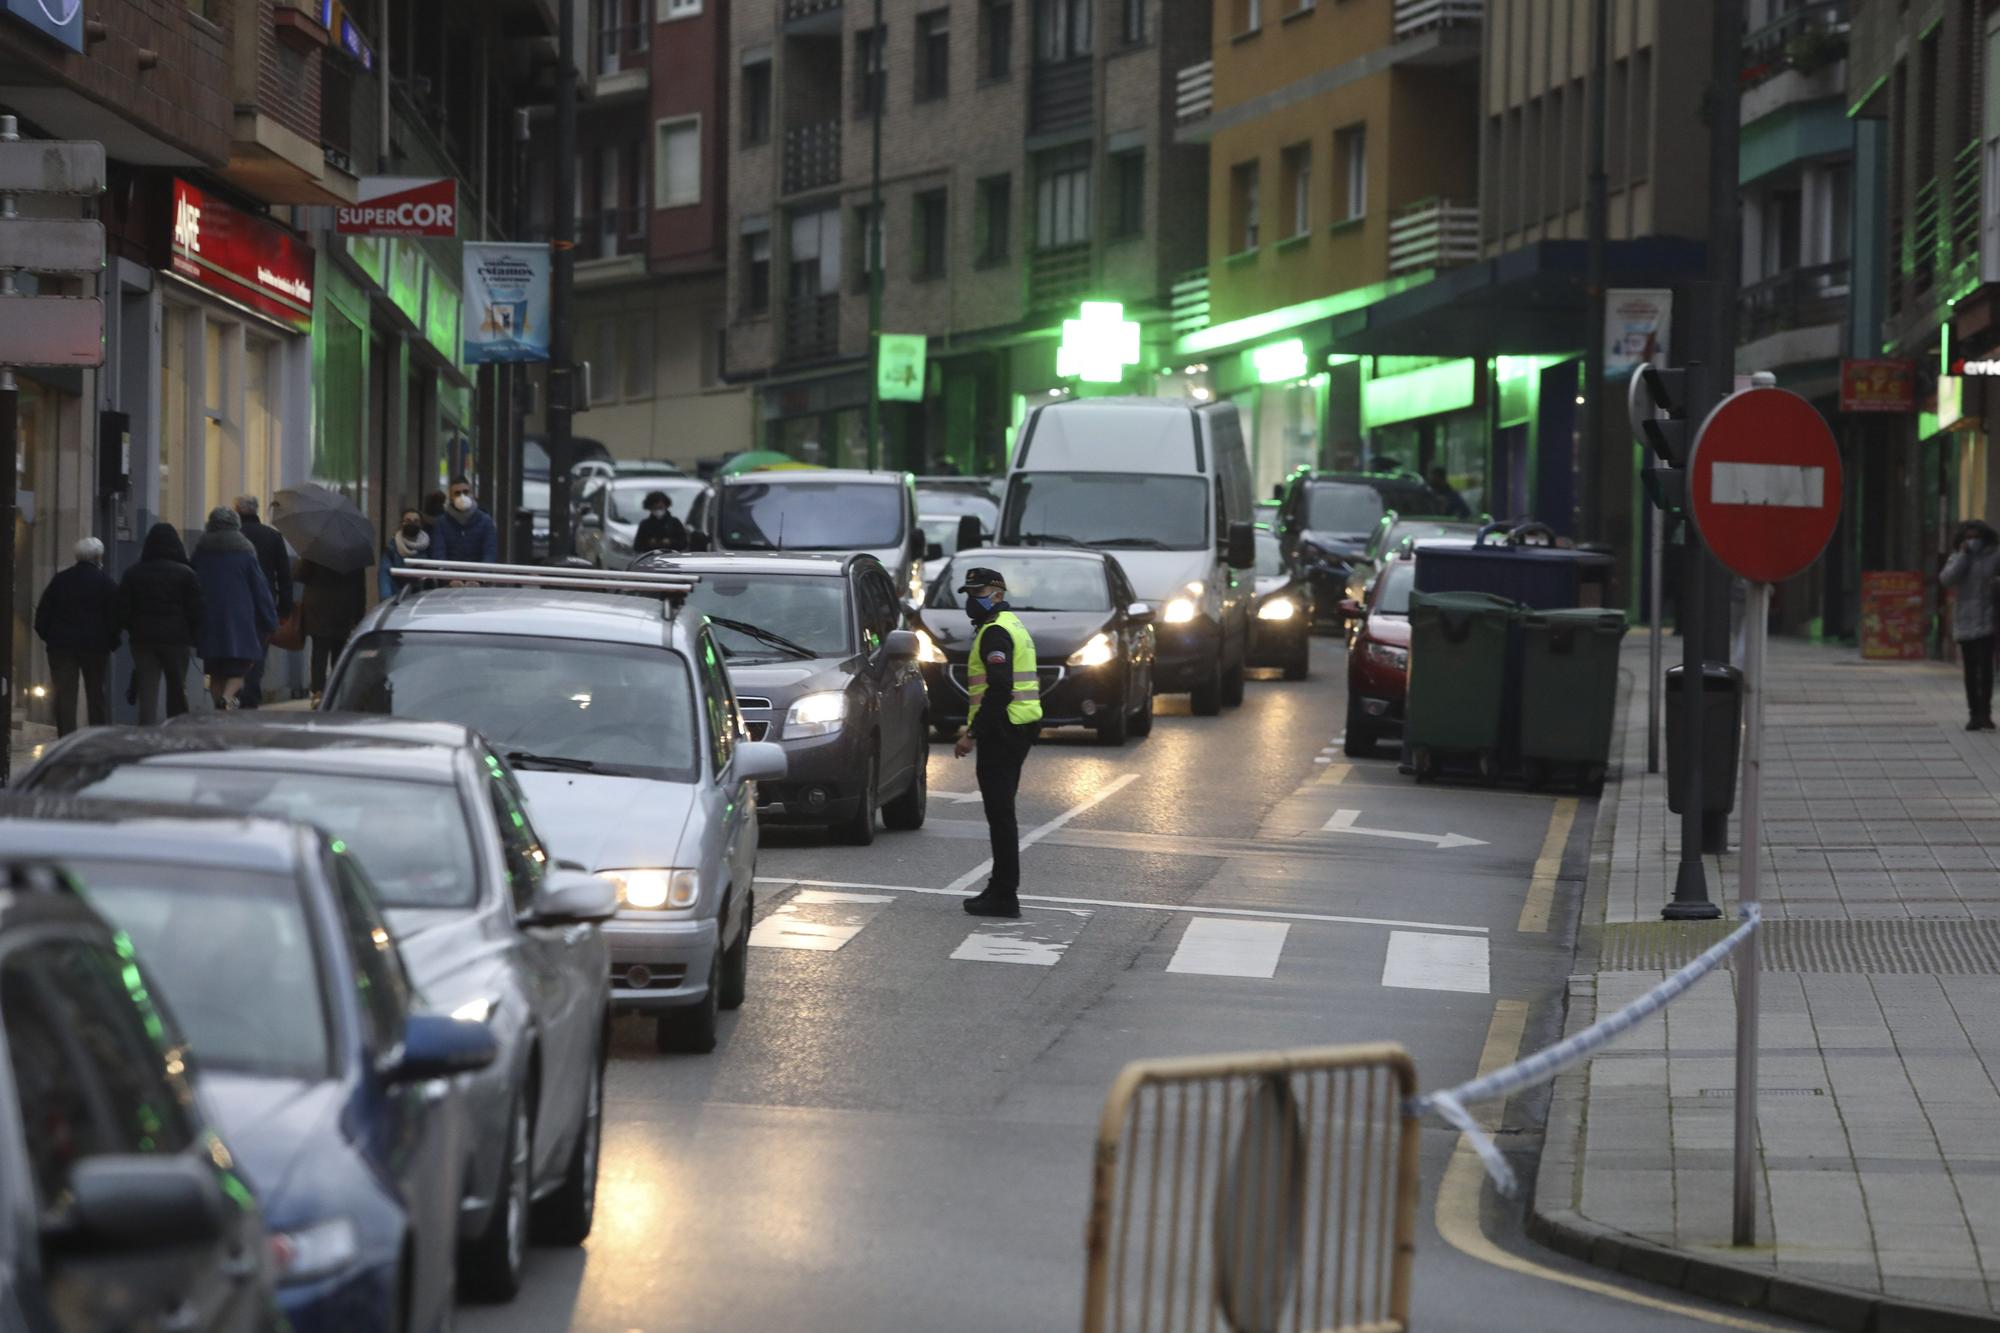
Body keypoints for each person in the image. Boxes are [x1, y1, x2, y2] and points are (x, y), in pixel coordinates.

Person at [952, 567, 1043, 919]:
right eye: (969, 592)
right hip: (1018, 728)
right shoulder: (1013, 625)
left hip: (1003, 731)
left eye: (979, 592)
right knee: (1001, 813)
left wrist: (972, 735)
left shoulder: (995, 632)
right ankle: (1000, 887)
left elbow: (999, 688)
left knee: (1000, 815)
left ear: (999, 594)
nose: (972, 599)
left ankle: (1004, 894)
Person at [191, 507, 278, 712]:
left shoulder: (201, 551)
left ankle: (219, 708)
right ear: (236, 524)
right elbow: (260, 588)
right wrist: (270, 620)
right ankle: (227, 697)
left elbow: (192, 583)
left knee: (216, 673)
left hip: (209, 620)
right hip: (240, 621)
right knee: (241, 668)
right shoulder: (245, 551)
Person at [119, 522, 205, 723]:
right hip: (177, 639)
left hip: (143, 639)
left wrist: (132, 628)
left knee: (147, 691)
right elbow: (197, 610)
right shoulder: (187, 573)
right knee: (177, 688)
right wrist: (193, 635)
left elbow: (123, 608)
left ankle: (146, 732)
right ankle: (176, 730)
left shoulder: (133, 573)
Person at [34, 537, 120, 736]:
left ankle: (66, 737)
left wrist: (50, 637)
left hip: (62, 645)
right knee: (96, 693)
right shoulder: (106, 583)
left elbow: (43, 613)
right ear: (98, 557)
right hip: (96, 646)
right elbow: (116, 617)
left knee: (64, 696)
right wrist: (111, 641)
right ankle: (97, 736)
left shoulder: (61, 580)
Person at [234, 495, 294, 709]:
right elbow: (284, 576)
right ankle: (250, 695)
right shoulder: (272, 537)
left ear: (237, 510)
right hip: (265, 606)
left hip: (237, 605)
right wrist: (284, 610)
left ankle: (236, 691)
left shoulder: (233, 536)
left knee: (237, 649)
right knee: (258, 653)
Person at [1940, 519, 2000, 731]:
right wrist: (1964, 555)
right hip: (1965, 621)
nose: (1973, 541)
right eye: (1969, 537)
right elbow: (1946, 579)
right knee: (1970, 670)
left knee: (1986, 669)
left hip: (1988, 620)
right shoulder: (1958, 556)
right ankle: (1974, 714)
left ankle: (1986, 713)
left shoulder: (1995, 555)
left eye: (1976, 537)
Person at [298, 556, 367, 706]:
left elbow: (300, 575)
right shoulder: (355, 553)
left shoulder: (318, 550)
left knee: (319, 653)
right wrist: (359, 616)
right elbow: (360, 586)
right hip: (344, 607)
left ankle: (318, 693)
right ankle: (336, 692)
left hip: (319, 606)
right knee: (339, 652)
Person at [436, 475, 499, 562]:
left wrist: (480, 574)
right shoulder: (441, 523)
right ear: (451, 497)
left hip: (478, 574)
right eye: (457, 493)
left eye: (465, 492)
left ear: (472, 494)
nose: (462, 496)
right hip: (450, 573)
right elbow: (439, 553)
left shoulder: (485, 521)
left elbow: (490, 553)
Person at [379, 507, 432, 599]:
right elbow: (384, 574)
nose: (412, 523)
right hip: (397, 594)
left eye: (416, 521)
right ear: (401, 523)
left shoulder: (429, 546)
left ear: (421, 524)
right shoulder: (392, 547)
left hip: (422, 596)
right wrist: (386, 598)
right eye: (408, 520)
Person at [634, 490, 689, 555]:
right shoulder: (645, 524)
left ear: (666, 506)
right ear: (650, 508)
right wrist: (649, 543)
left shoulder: (674, 522)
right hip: (650, 558)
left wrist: (670, 542)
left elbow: (684, 543)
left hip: (672, 557)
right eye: (655, 508)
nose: (658, 510)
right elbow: (637, 546)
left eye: (660, 507)